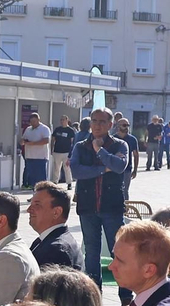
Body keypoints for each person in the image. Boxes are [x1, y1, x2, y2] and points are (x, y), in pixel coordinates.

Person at [71, 108, 130, 290]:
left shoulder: (120, 145)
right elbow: (76, 171)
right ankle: (94, 293)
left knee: (118, 251)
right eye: (94, 121)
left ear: (110, 125)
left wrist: (100, 151)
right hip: (88, 206)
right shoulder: (81, 146)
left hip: (112, 206)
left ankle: (125, 296)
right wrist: (103, 169)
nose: (97, 125)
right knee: (91, 252)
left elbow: (119, 166)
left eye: (102, 121)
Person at [26, 181, 84, 271]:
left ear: (56, 212)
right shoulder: (50, 241)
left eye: (37, 205)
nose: (29, 210)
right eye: (31, 204)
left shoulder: (57, 250)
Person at [20, 110, 51, 187]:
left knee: (41, 179)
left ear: (38, 120)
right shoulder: (28, 129)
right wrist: (23, 141)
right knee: (32, 179)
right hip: (29, 157)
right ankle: (33, 191)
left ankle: (43, 193)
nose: (33, 123)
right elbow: (23, 139)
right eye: (31, 122)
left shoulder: (44, 129)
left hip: (41, 157)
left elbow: (46, 141)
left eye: (34, 121)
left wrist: (33, 143)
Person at [113, 115, 140, 198]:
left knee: (124, 191)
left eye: (128, 125)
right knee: (114, 190)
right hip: (114, 169)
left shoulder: (132, 139)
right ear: (118, 126)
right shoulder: (113, 139)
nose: (127, 127)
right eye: (124, 125)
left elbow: (136, 155)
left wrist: (135, 170)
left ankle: (125, 205)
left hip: (127, 169)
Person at [50, 116, 76, 184]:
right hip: (57, 151)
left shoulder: (70, 130)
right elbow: (53, 139)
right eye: (61, 120)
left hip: (66, 152)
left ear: (67, 120)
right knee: (56, 168)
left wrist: (71, 152)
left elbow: (72, 142)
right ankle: (55, 181)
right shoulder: (57, 129)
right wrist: (51, 149)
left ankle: (69, 183)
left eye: (63, 120)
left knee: (67, 168)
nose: (62, 121)